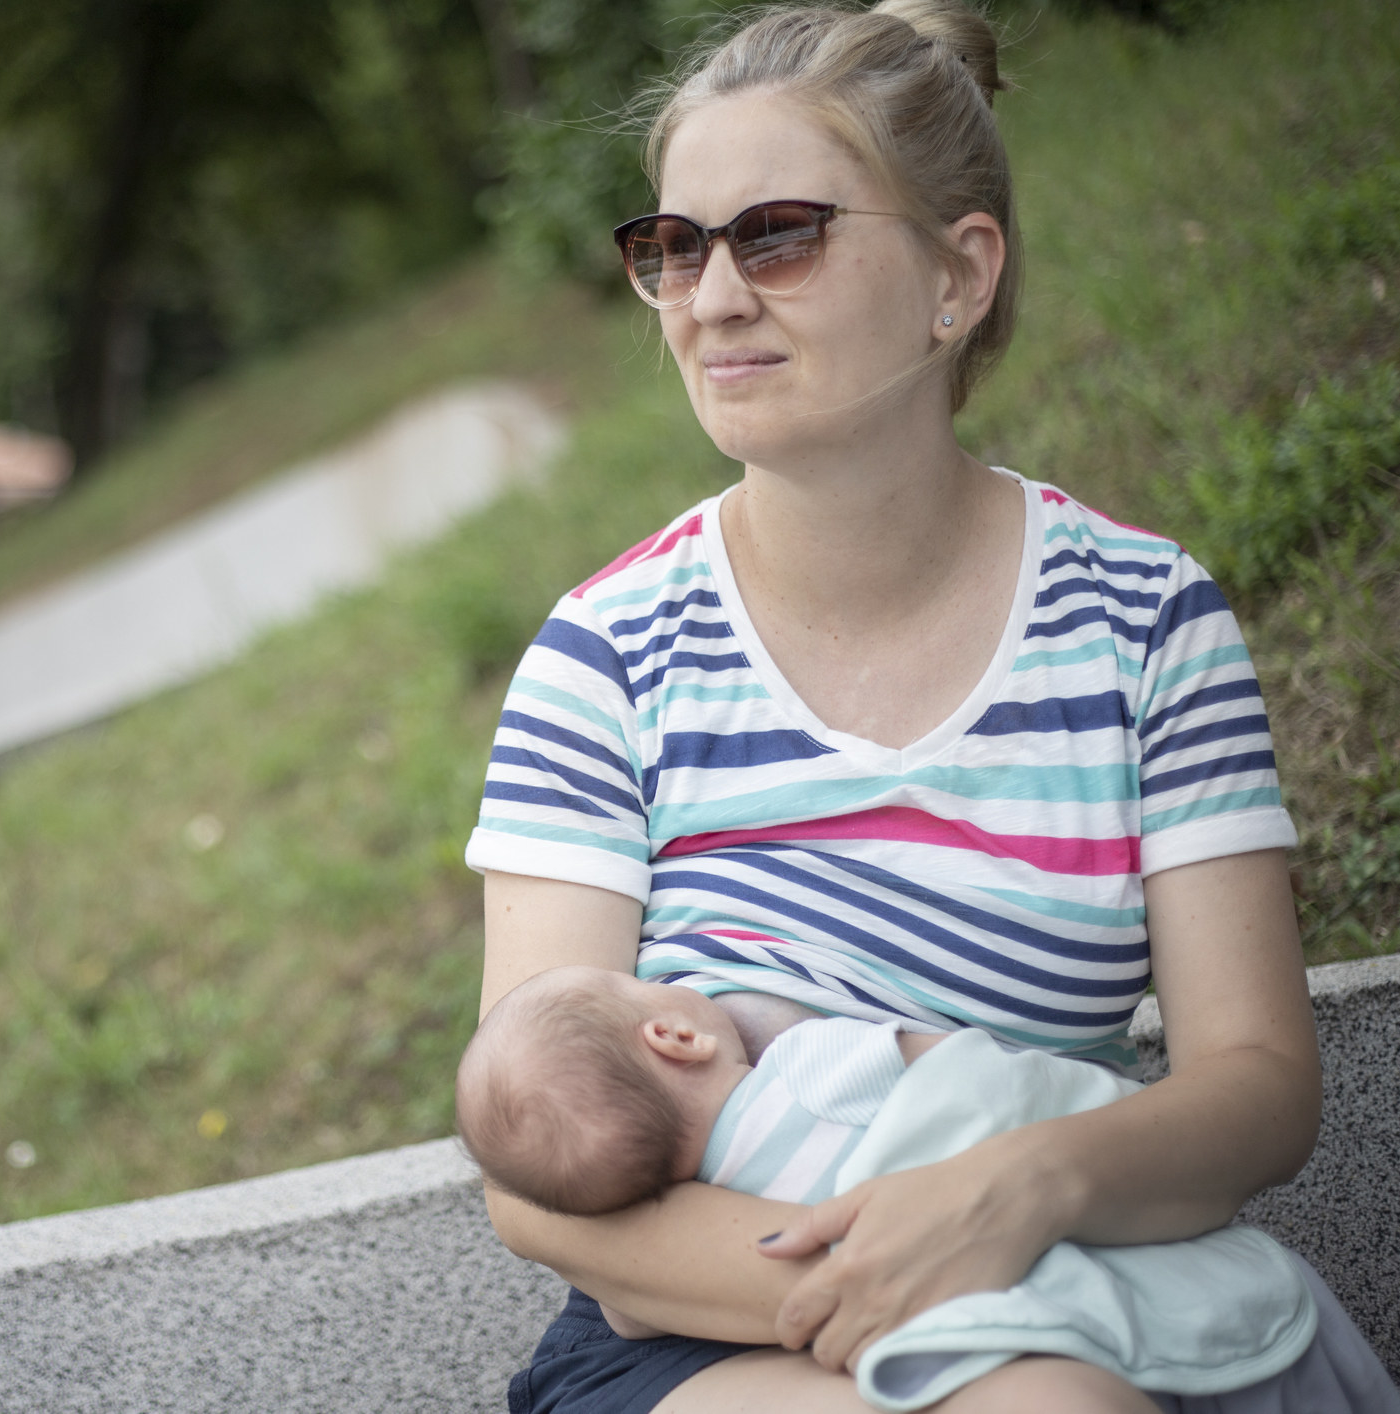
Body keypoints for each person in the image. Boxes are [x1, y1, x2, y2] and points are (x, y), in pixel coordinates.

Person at [462, 1, 1386, 1409]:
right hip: (699, 1332)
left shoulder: (1144, 624)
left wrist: (1019, 1188)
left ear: (958, 274)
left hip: (1080, 1266)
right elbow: (537, 1188)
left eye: (778, 233)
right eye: (673, 248)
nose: (712, 297)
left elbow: (1259, 1085)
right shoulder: (605, 658)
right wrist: (910, 1277)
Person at [455, 966, 1361, 1412]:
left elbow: (628, 1310)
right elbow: (973, 1081)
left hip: (873, 1324)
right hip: (974, 1269)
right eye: (657, 981)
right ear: (676, 1036)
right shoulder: (810, 1061)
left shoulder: (683, 1218)